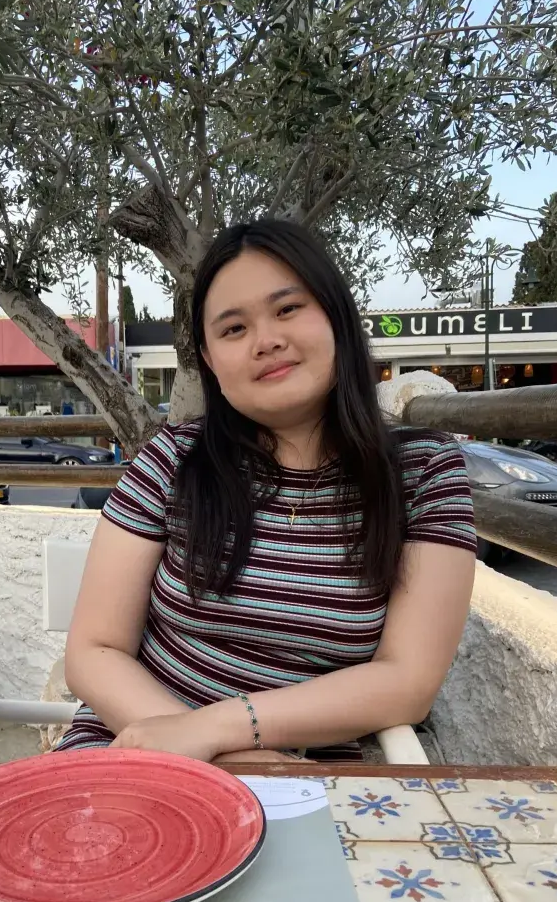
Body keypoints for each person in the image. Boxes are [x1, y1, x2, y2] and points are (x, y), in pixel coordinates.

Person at [56, 219, 476, 764]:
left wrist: (219, 733)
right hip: (136, 741)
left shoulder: (423, 473)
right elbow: (94, 651)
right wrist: (217, 755)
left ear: (336, 318)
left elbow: (408, 680)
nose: (267, 340)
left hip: (304, 773)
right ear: (209, 360)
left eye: (287, 309)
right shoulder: (172, 461)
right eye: (233, 329)